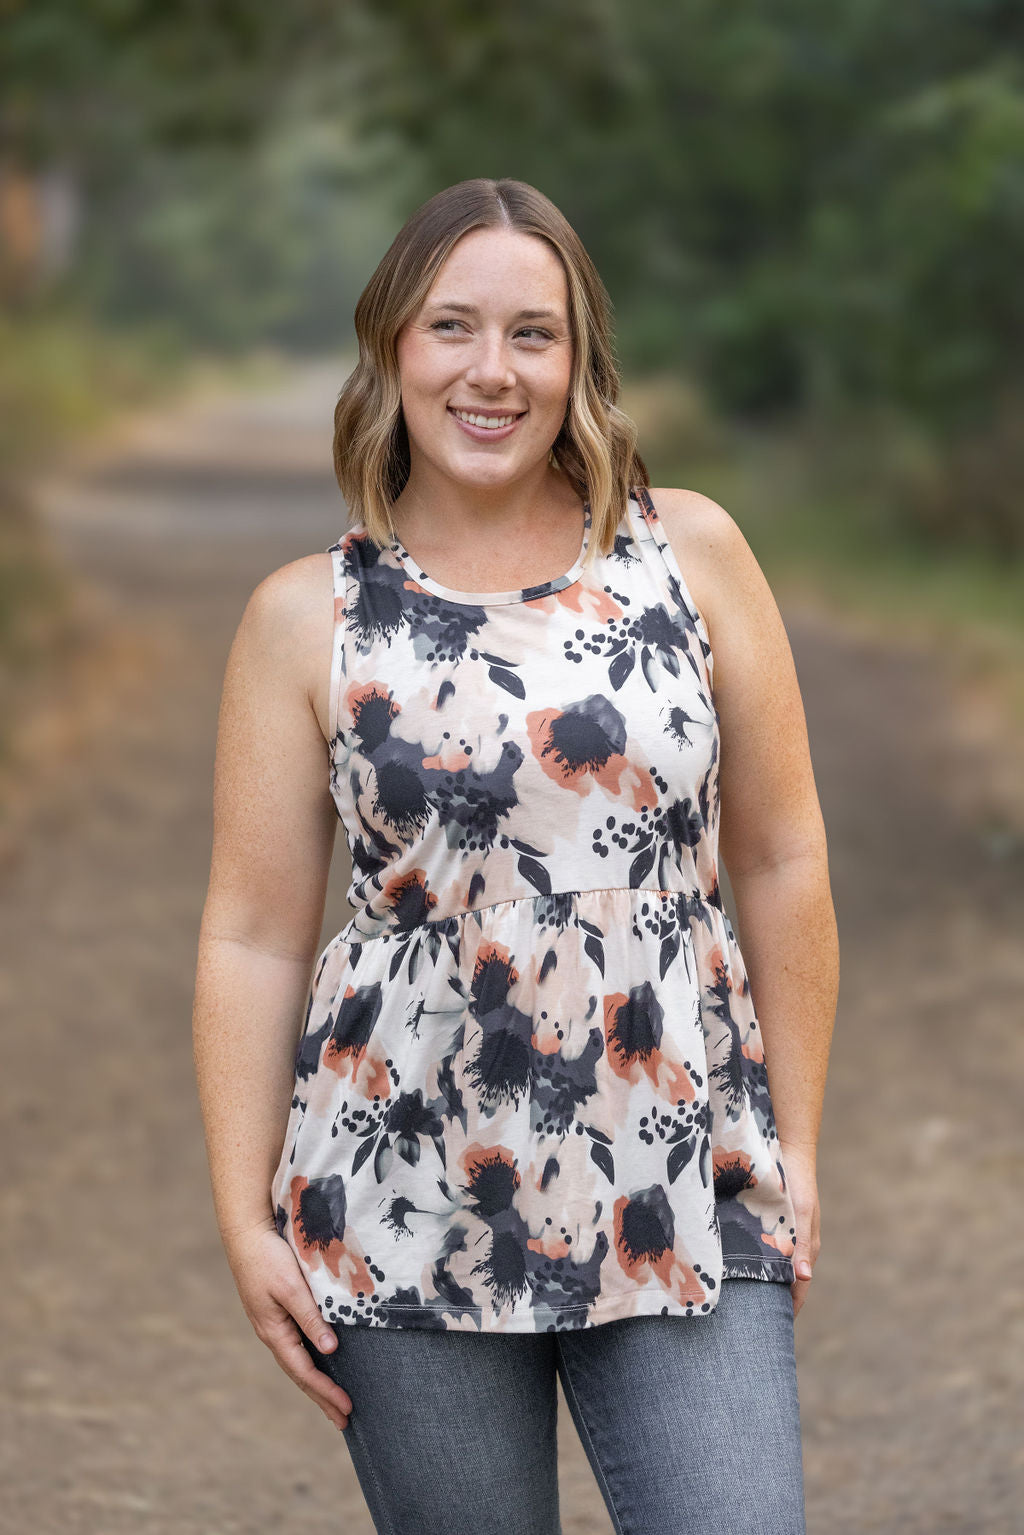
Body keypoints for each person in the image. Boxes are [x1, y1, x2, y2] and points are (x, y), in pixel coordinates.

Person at [192, 177, 838, 1535]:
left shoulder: (692, 557)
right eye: (453, 328)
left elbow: (781, 858)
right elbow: (250, 934)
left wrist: (800, 1144)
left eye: (532, 334)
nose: (493, 371)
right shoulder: (304, 620)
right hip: (401, 1194)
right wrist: (243, 1217)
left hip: (684, 1172)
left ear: (579, 359)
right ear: (392, 348)